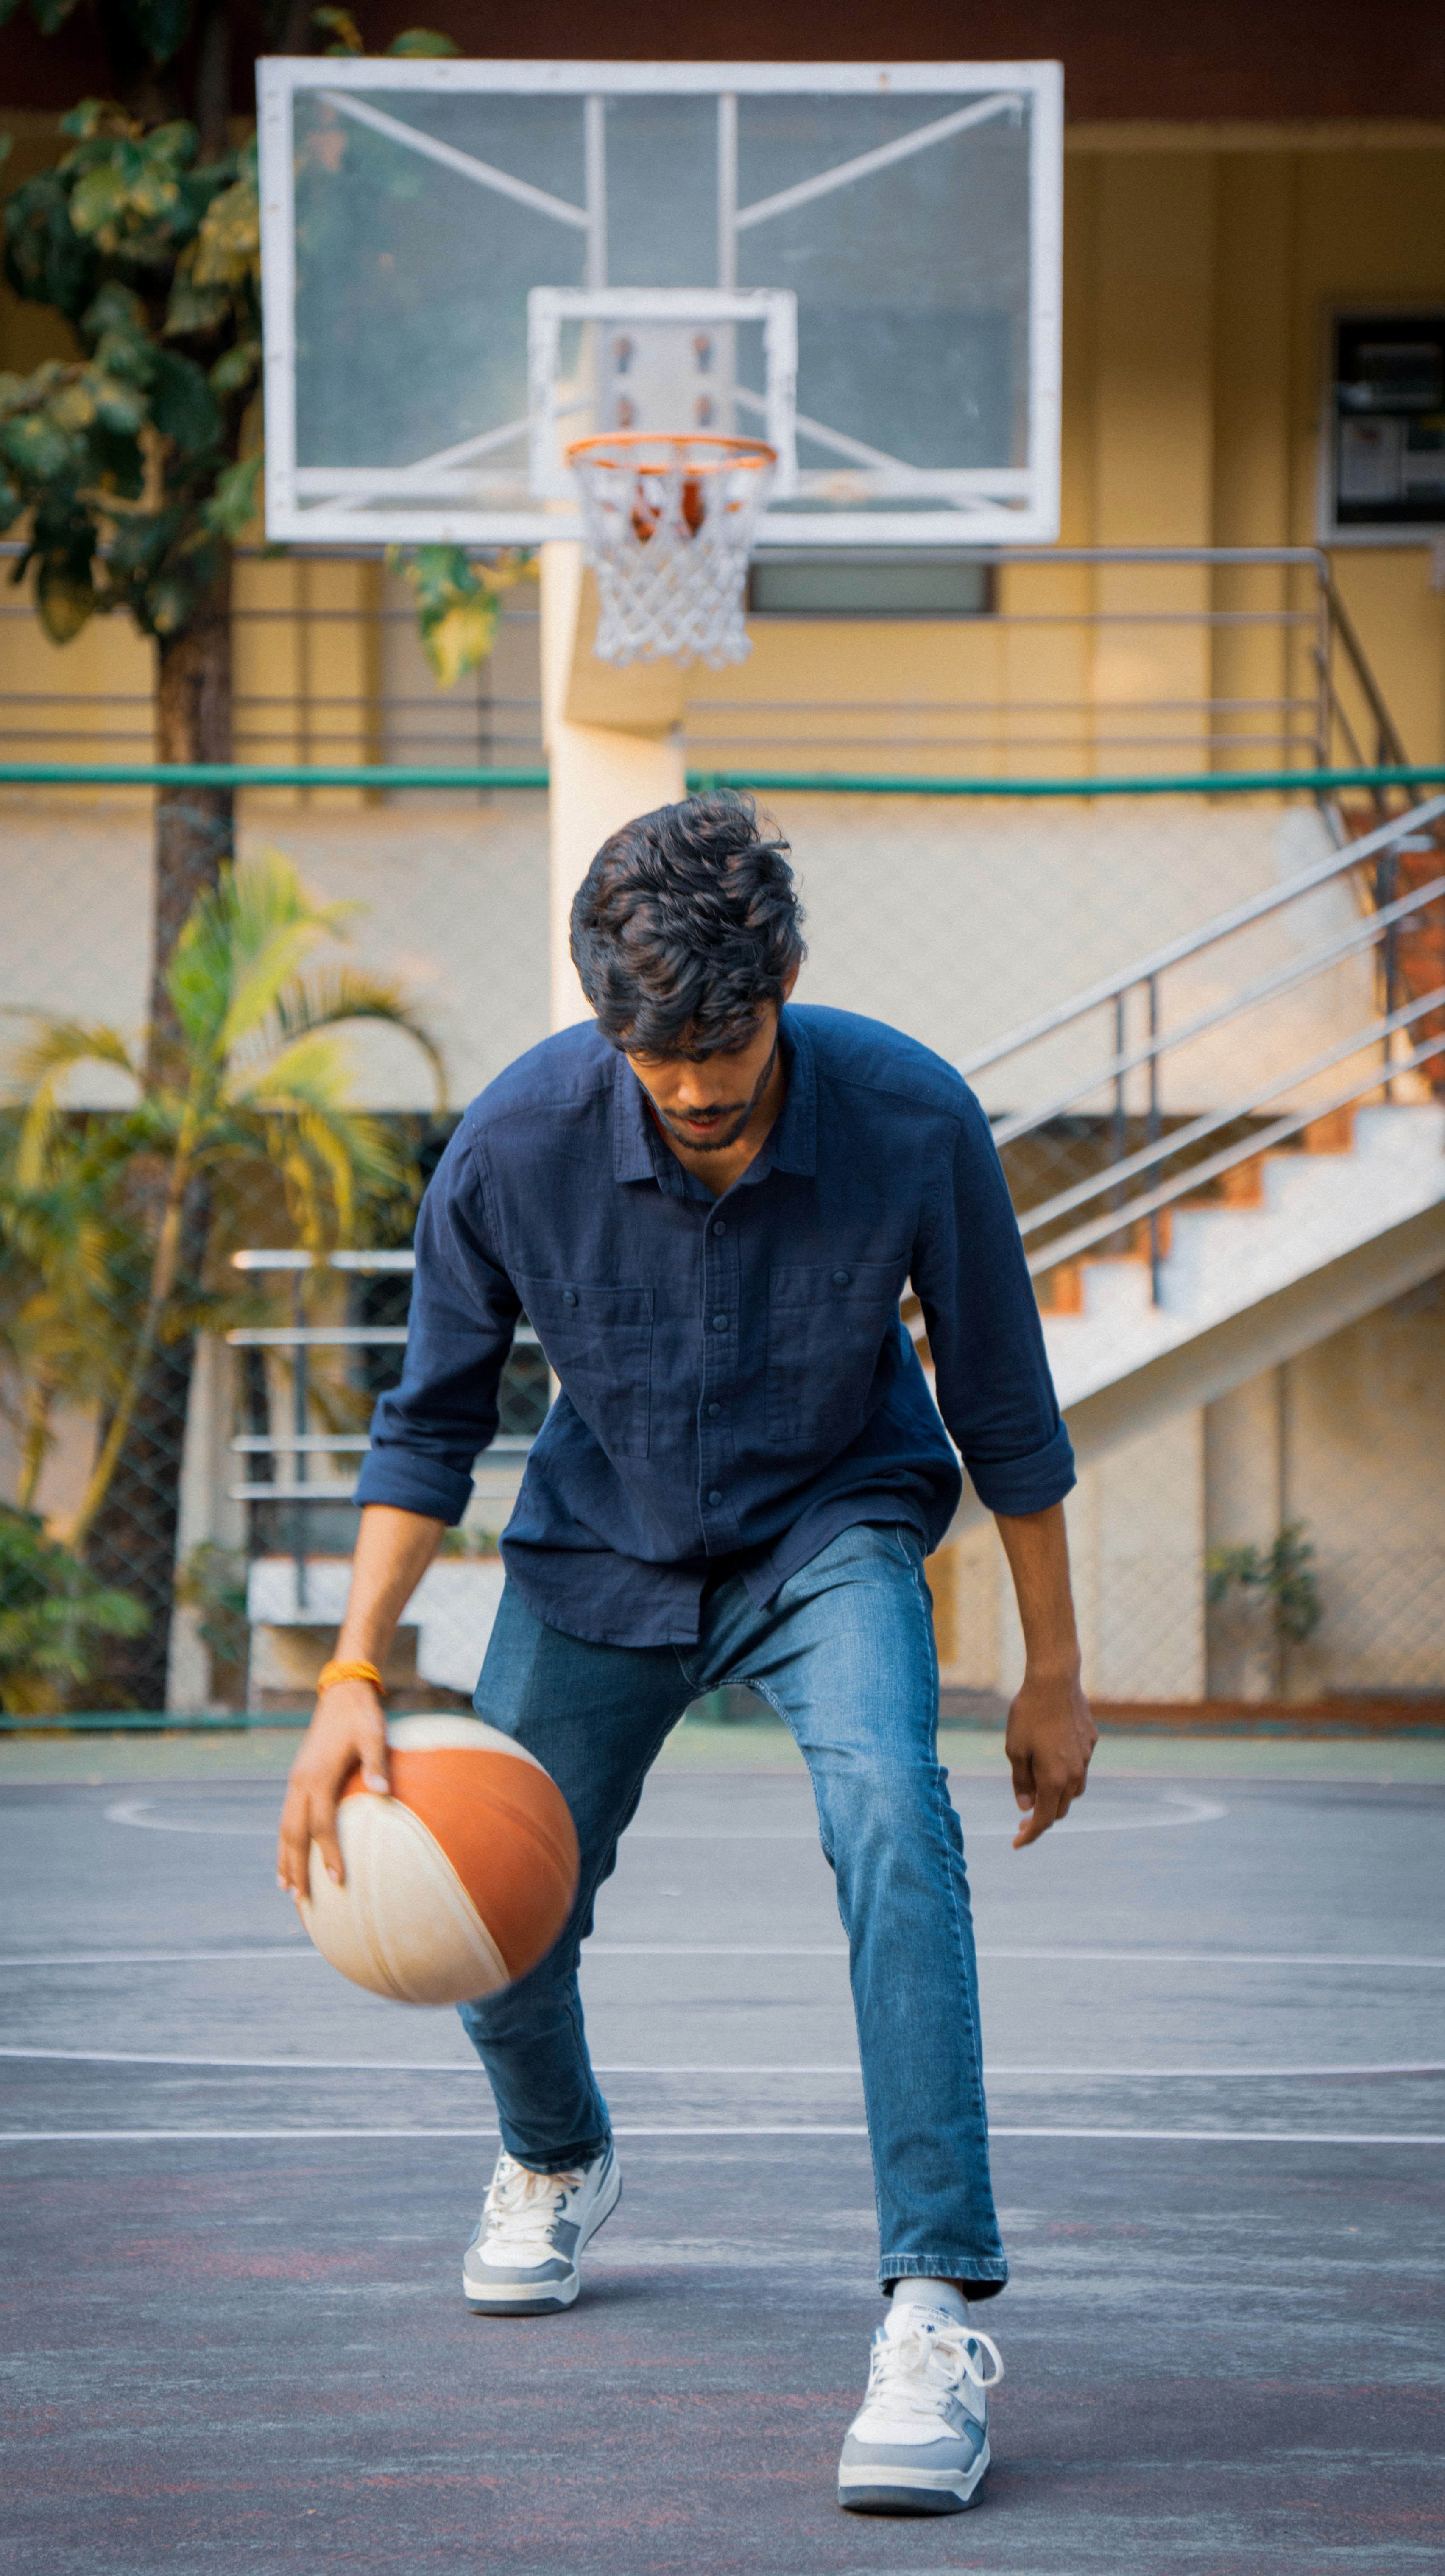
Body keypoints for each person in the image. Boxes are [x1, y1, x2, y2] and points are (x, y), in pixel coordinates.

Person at [277, 791, 1096, 2517]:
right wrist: (353, 1674)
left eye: (728, 1049)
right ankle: (557, 2156)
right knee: (492, 1907)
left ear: (785, 977)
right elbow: (424, 1427)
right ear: (607, 1030)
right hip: (601, 1540)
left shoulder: (912, 1117)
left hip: (834, 1523)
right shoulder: (512, 1148)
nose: (703, 1093)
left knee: (893, 1818)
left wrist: (1053, 1668)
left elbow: (1004, 1407)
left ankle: (932, 2308)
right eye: (662, 1068)